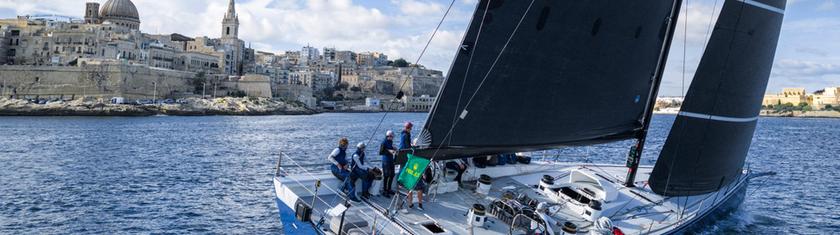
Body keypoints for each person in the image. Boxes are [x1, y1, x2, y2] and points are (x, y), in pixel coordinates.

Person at [379, 130, 397, 197]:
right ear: (388, 136)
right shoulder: (384, 142)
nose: (392, 138)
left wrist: (394, 149)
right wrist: (390, 151)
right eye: (392, 137)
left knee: (392, 175)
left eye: (393, 137)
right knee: (386, 176)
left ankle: (389, 189)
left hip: (391, 160)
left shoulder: (390, 141)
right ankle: (385, 191)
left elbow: (390, 148)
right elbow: (381, 152)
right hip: (386, 161)